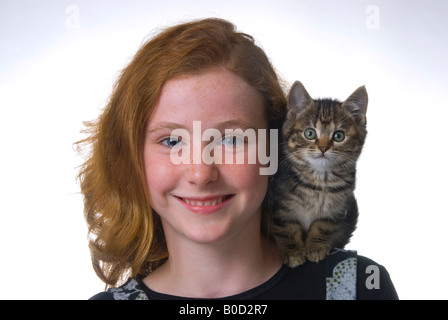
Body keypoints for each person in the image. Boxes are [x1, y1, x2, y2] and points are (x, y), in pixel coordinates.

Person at [78, 18, 398, 300]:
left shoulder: (358, 288)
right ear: (133, 158)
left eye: (232, 140)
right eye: (172, 140)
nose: (201, 173)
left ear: (274, 150)